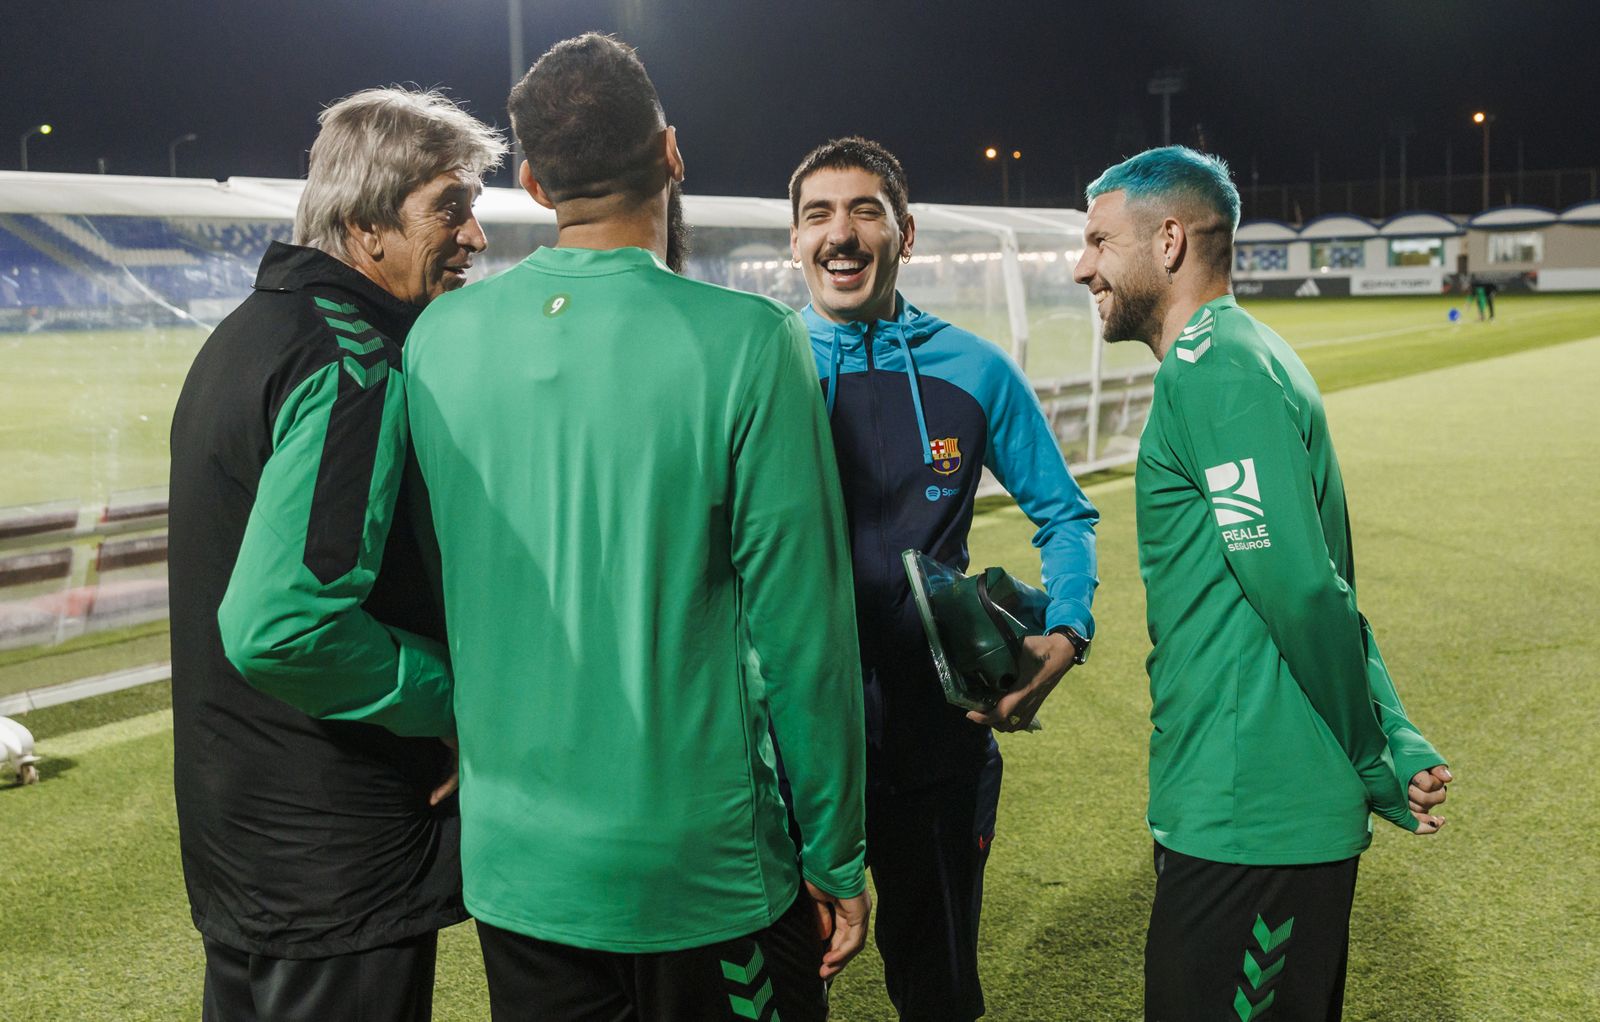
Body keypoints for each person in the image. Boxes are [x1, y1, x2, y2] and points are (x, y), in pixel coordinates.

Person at [240, 34, 870, 1020]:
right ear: (671, 152)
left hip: (518, 870)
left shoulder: (438, 339)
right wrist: (835, 851)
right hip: (697, 870)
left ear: (531, 182)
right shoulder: (751, 342)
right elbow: (806, 636)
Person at [1071, 146, 1453, 1021]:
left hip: (1255, 816)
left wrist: (1372, 759)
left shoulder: (1218, 368)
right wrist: (1390, 723)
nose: (1081, 264)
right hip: (1237, 807)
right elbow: (1320, 580)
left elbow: (1306, 594)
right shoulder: (1241, 355)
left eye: (1098, 240)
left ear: (1168, 241)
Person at [168, 88, 504, 1021]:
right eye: (451, 206)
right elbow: (282, 625)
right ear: (365, 229)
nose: (474, 235)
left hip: (245, 837)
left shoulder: (244, 334)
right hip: (333, 858)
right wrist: (452, 701)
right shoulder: (351, 360)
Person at [788, 136, 1099, 1022]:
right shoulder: (764, 366)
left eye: (864, 211)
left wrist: (1067, 633)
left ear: (906, 233)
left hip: (939, 740)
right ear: (795, 241)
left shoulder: (975, 369)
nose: (839, 234)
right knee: (783, 986)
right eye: (817, 215)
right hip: (793, 747)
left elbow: (1066, 514)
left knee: (940, 992)